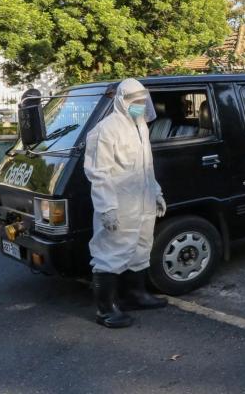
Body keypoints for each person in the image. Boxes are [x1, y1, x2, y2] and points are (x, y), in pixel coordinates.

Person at [84, 78, 168, 328]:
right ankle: (106, 310)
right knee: (110, 254)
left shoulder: (140, 126)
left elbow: (146, 167)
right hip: (118, 206)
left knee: (141, 248)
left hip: (142, 203)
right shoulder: (105, 130)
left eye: (143, 100)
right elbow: (99, 174)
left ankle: (136, 296)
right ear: (121, 101)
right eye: (134, 101)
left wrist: (156, 193)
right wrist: (107, 209)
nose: (140, 106)